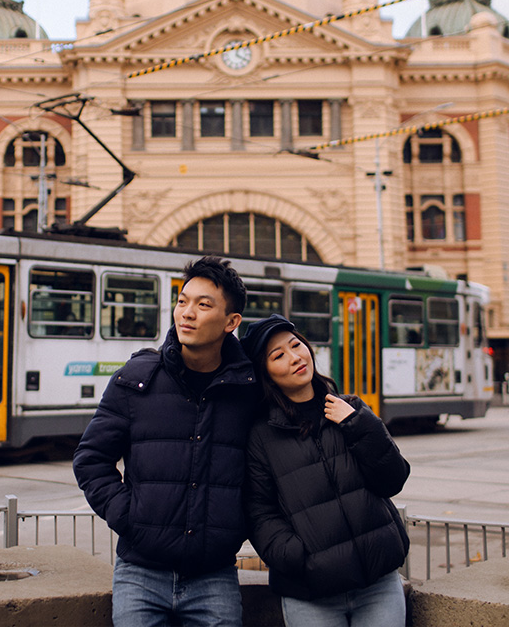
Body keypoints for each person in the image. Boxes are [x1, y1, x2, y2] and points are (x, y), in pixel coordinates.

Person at [72, 256, 256, 627]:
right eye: (182, 301)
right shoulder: (136, 379)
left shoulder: (250, 392)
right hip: (140, 573)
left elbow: (271, 470)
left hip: (214, 574)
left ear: (231, 323)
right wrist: (131, 519)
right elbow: (91, 460)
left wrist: (236, 526)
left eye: (204, 305)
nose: (186, 313)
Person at [241, 315, 410, 627]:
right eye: (278, 356)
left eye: (296, 345)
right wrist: (297, 557)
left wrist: (360, 425)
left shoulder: (352, 409)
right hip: (310, 593)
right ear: (265, 373)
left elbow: (393, 479)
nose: (295, 358)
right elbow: (259, 512)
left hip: (378, 584)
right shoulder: (261, 436)